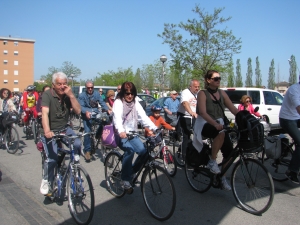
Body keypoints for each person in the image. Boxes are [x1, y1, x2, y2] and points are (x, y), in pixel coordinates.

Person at [193, 70, 238, 191]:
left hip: (220, 124)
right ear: (208, 80)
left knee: (229, 153)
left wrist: (246, 116)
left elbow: (233, 109)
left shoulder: (222, 93)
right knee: (220, 133)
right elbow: (202, 112)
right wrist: (214, 123)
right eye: (215, 78)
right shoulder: (203, 93)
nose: (218, 80)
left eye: (219, 78)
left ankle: (222, 178)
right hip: (205, 123)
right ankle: (212, 161)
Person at [40, 72, 81, 196]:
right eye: (59, 84)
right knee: (52, 158)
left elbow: (78, 111)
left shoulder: (68, 95)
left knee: (78, 143)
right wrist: (47, 130)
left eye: (65, 84)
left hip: (64, 129)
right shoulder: (47, 95)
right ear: (53, 85)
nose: (62, 86)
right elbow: (45, 114)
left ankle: (74, 168)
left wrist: (72, 96)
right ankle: (47, 180)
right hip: (50, 131)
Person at [113, 81, 157, 192]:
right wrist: (121, 131)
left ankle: (131, 171)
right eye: (127, 93)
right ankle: (125, 179)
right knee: (130, 151)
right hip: (120, 134)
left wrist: (155, 128)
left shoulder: (135, 103)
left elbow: (144, 118)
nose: (130, 96)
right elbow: (117, 118)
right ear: (123, 93)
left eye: (132, 93)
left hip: (132, 133)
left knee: (144, 152)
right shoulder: (118, 102)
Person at [78, 80, 111, 161]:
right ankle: (87, 151)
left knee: (106, 120)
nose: (90, 89)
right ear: (86, 87)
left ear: (93, 87)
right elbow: (81, 106)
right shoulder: (81, 95)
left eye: (91, 87)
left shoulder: (96, 94)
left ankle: (98, 134)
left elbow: (102, 102)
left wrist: (108, 110)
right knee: (87, 132)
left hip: (96, 113)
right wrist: (86, 112)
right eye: (88, 87)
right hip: (86, 115)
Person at [279, 82, 300, 184]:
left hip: (297, 118)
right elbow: (299, 108)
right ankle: (292, 171)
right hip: (287, 119)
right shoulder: (294, 90)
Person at [177, 80, 200, 158]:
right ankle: (184, 157)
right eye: (195, 86)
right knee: (186, 136)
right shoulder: (185, 92)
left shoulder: (198, 94)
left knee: (198, 135)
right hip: (185, 116)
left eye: (198, 87)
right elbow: (185, 103)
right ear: (190, 86)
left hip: (194, 117)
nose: (197, 88)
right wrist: (191, 112)